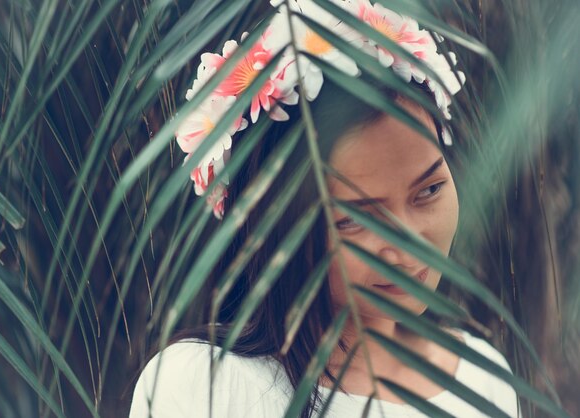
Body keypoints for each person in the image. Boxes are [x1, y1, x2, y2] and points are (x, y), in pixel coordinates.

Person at [130, 1, 521, 417]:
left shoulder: (484, 380)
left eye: (429, 190)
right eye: (355, 218)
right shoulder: (206, 386)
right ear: (272, 224)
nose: (409, 245)